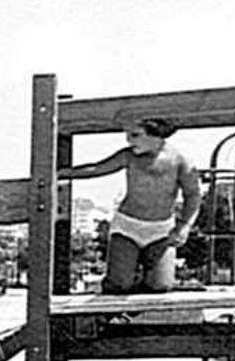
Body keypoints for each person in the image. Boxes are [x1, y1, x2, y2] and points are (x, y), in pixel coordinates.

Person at [60, 117, 201, 294]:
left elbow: (193, 195)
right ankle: (119, 286)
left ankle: (140, 285)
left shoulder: (180, 160)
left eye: (135, 135)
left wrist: (184, 227)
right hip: (127, 226)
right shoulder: (128, 156)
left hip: (161, 230)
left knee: (161, 286)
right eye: (127, 135)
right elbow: (96, 168)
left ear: (156, 135)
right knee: (119, 284)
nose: (129, 140)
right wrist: (63, 173)